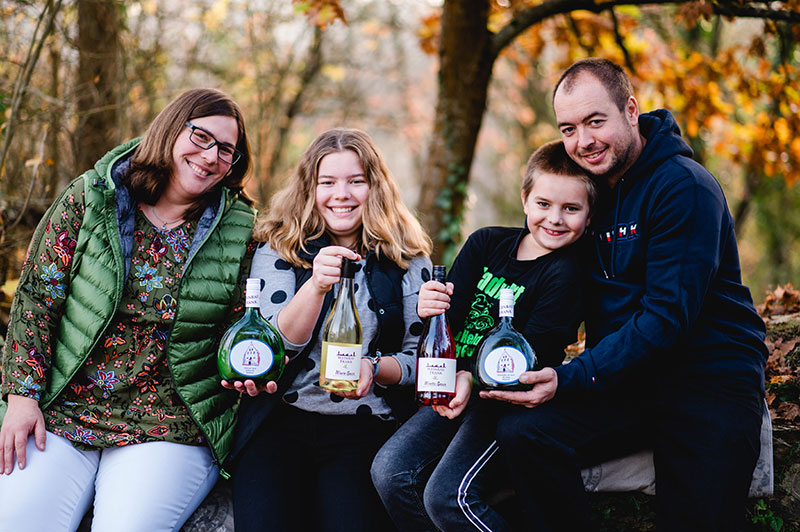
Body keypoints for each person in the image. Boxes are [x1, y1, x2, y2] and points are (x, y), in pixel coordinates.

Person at [493, 58, 768, 531]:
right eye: (569, 128)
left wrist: (571, 376)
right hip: (628, 383)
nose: (583, 141)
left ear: (631, 110)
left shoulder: (683, 187)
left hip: (708, 386)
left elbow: (665, 319)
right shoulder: (589, 191)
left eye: (595, 121)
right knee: (526, 432)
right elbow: (538, 250)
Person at [0, 88, 256, 532]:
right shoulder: (92, 196)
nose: (210, 155)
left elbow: (242, 326)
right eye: (200, 137)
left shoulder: (241, 230)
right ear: (171, 129)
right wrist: (22, 396)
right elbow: (38, 297)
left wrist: (246, 369)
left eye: (226, 150)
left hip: (168, 425)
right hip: (66, 412)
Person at [371, 140, 595, 532]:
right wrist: (429, 308)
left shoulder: (566, 272)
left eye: (571, 208)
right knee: (389, 472)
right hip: (451, 388)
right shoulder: (487, 242)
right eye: (543, 204)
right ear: (525, 199)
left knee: (447, 497)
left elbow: (535, 353)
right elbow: (449, 320)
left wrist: (469, 378)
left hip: (504, 402)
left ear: (589, 216)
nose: (555, 219)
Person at [229, 127, 433, 532]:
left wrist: (376, 368)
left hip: (364, 426)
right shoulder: (280, 248)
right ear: (310, 187)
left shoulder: (407, 259)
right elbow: (271, 347)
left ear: (375, 187)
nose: (342, 194)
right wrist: (316, 286)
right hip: (281, 422)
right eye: (328, 182)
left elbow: (421, 359)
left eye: (356, 181)